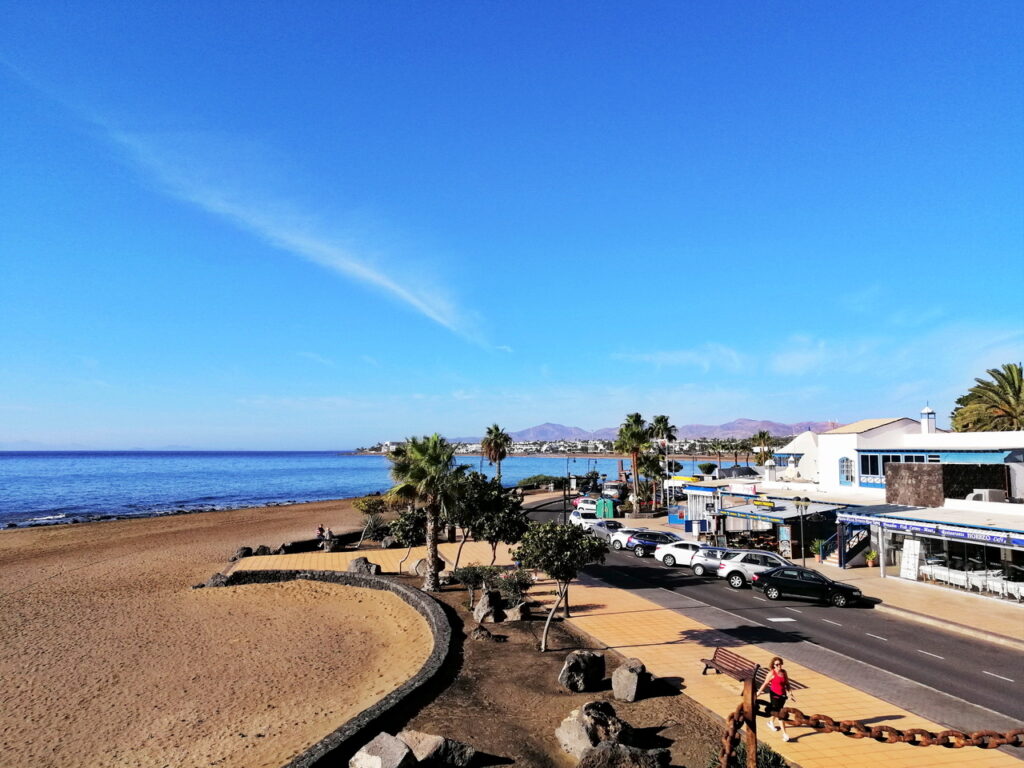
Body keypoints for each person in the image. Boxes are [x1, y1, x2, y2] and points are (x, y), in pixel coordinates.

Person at [757, 656, 795, 741]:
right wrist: (758, 693)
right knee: (780, 714)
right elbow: (765, 684)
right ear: (773, 665)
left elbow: (787, 684)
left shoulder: (784, 672)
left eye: (780, 664)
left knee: (777, 710)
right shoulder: (771, 673)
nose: (779, 666)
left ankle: (771, 722)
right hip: (774, 695)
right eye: (777, 664)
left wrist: (790, 694)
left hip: (782, 695)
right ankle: (785, 734)